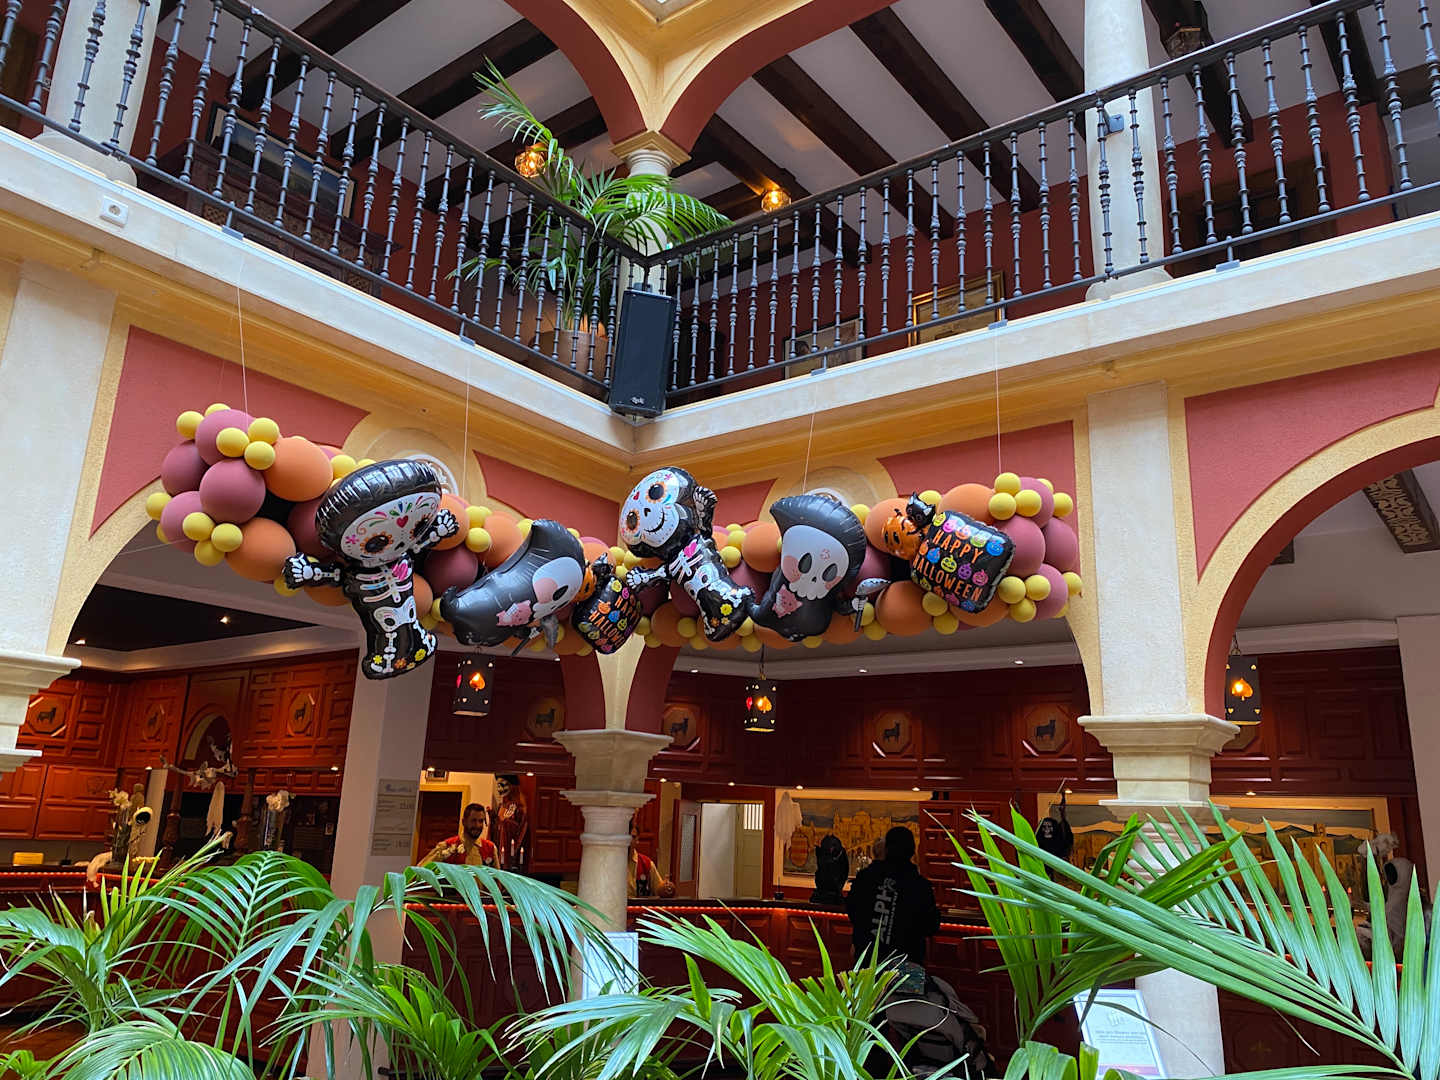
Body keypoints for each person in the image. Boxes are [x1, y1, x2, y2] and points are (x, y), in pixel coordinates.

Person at [847, 826, 940, 966]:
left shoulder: (865, 878)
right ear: (912, 851)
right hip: (906, 964)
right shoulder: (919, 885)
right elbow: (930, 925)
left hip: (867, 963)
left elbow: (853, 911)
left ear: (886, 849)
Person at [420, 803, 498, 867]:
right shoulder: (447, 846)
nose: (477, 825)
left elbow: (498, 878)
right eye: (473, 821)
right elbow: (422, 869)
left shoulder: (490, 848)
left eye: (480, 821)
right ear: (464, 822)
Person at [629, 816, 675, 898]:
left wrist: (666, 888)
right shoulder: (609, 862)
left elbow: (659, 890)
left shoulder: (646, 863)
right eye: (626, 837)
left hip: (638, 906)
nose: (629, 841)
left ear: (637, 839)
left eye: (633, 837)